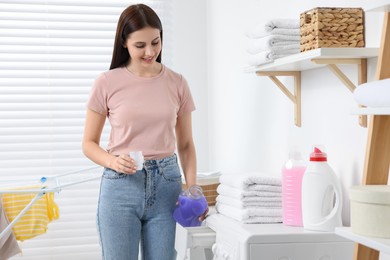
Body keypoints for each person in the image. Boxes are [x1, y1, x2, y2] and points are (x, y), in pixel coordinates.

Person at [82, 4, 207, 260]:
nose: (150, 52)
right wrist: (112, 161)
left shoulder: (177, 82)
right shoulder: (106, 82)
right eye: (140, 45)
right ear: (124, 43)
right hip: (120, 186)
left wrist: (192, 187)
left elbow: (185, 144)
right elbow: (89, 143)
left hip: (167, 186)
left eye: (155, 42)